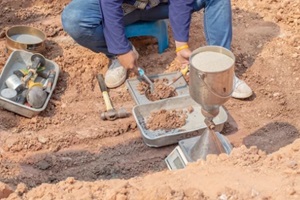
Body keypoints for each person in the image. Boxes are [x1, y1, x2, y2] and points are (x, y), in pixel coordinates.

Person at [61, 0, 252, 99]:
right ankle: (115, 56)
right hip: (124, 5)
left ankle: (220, 73)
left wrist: (181, 43)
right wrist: (121, 50)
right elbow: (109, 4)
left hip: (160, 5)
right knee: (74, 18)